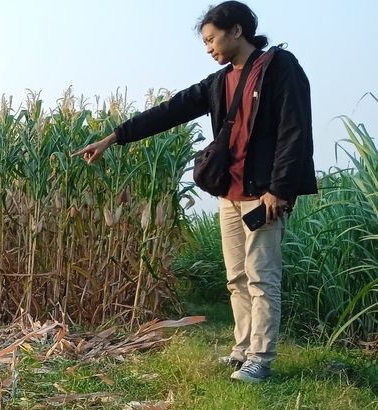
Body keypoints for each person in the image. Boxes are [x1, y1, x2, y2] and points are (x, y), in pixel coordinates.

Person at [75, 2, 316, 383]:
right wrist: (114, 137)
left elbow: (294, 128)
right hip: (229, 194)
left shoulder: (277, 67)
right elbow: (171, 109)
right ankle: (241, 351)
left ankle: (261, 358)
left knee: (261, 277)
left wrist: (279, 189)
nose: (208, 48)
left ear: (236, 30)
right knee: (236, 277)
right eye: (205, 42)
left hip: (262, 194)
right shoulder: (219, 82)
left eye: (211, 38)